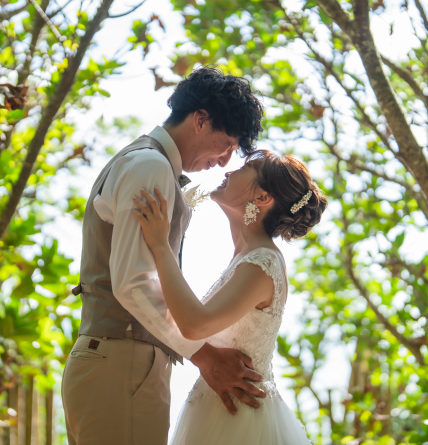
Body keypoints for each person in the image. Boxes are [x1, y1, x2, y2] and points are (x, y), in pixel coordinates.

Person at [61, 67, 266, 444]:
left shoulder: (144, 161)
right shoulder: (151, 167)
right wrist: (205, 358)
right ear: (200, 120)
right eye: (227, 144)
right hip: (123, 362)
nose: (224, 161)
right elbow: (133, 283)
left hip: (115, 361)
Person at [132, 149, 327, 444]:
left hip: (240, 422)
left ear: (262, 198)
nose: (229, 171)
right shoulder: (248, 258)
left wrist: (160, 246)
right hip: (220, 409)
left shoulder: (263, 263)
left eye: (247, 168)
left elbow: (194, 325)